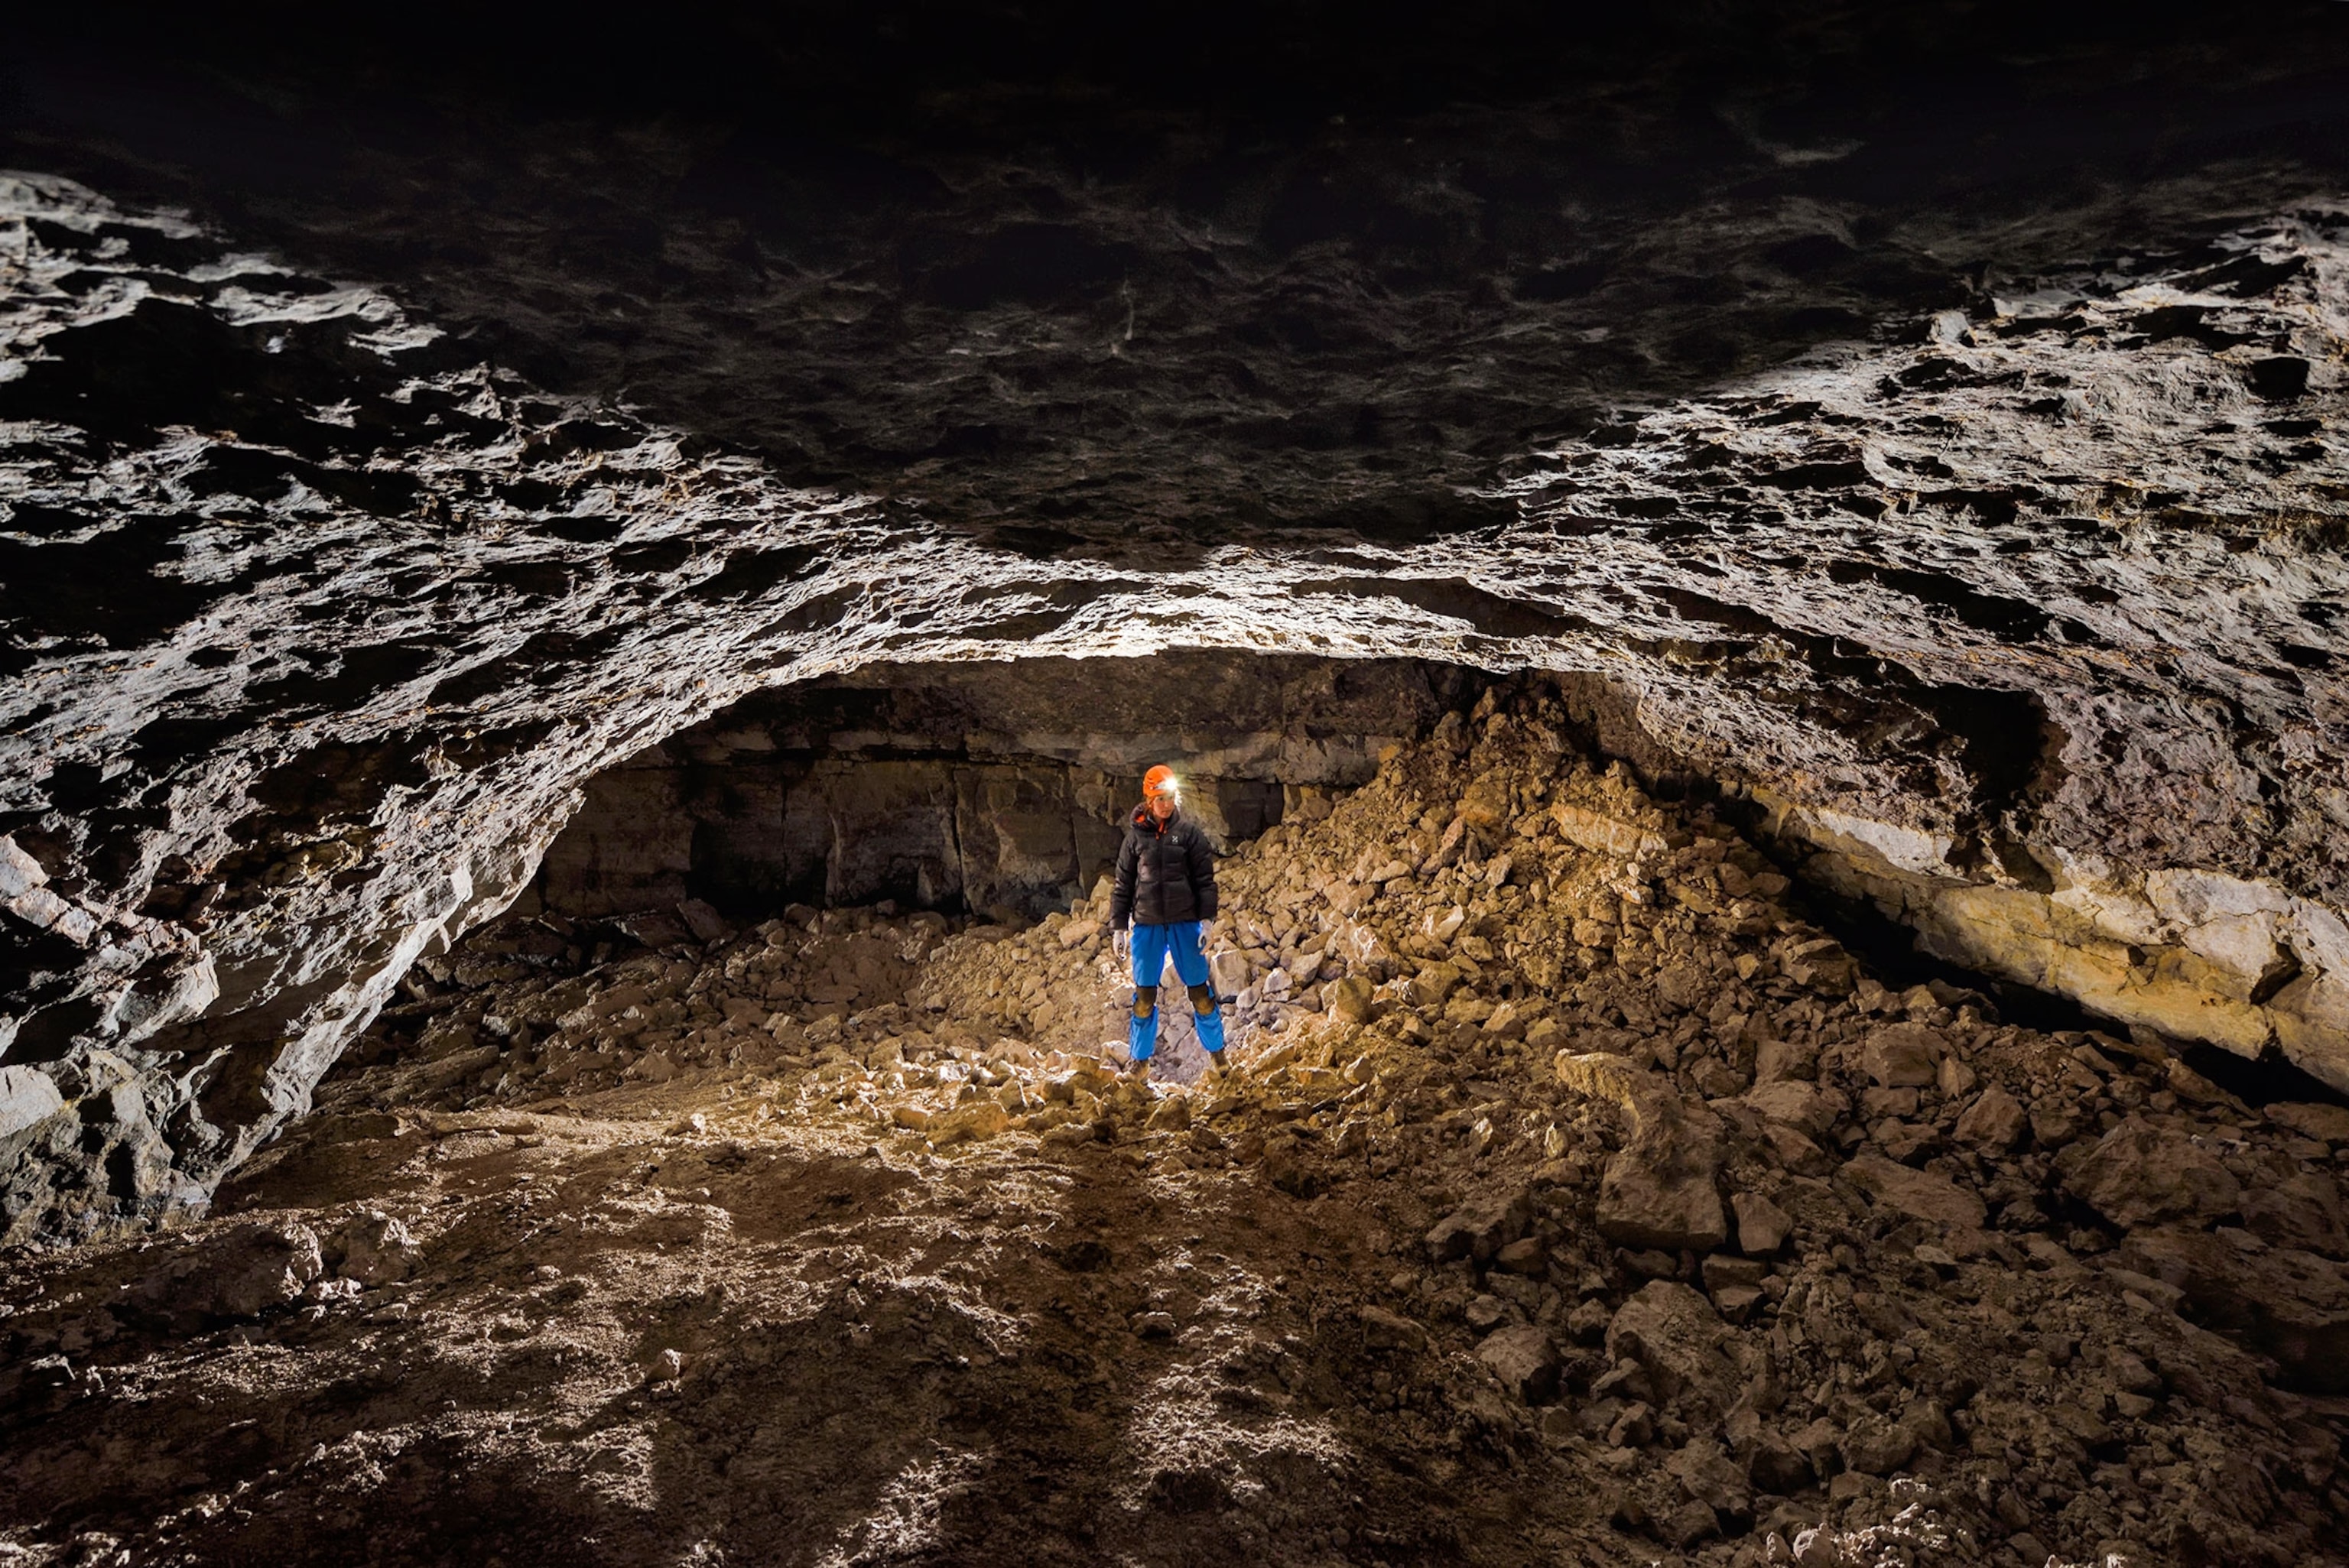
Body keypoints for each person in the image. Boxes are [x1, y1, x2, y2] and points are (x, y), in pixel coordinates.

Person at [1108, 765, 1228, 1078]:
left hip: (1184, 923)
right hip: (1147, 926)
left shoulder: (1188, 835)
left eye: (1171, 797)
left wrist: (1207, 920)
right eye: (1160, 798)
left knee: (1200, 995)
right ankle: (1140, 1063)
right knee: (1144, 999)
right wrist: (1119, 927)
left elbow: (1205, 881)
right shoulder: (1134, 840)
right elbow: (1123, 885)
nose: (1166, 804)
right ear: (1149, 800)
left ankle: (1219, 1057)